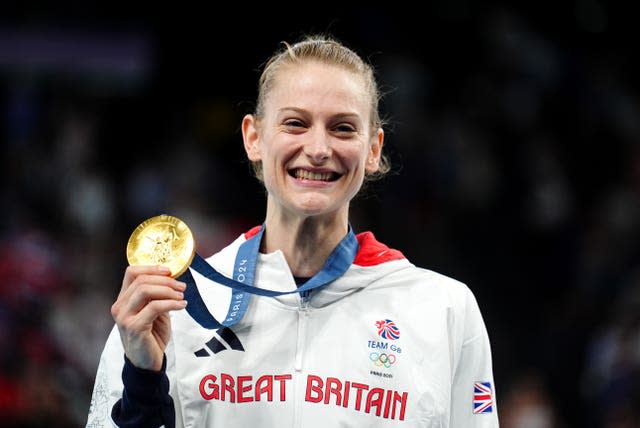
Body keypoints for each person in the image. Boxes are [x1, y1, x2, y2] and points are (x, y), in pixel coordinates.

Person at [86, 34, 499, 428]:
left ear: (373, 150)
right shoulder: (174, 308)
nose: (319, 149)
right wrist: (142, 380)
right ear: (254, 138)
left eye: (342, 128)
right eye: (296, 123)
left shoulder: (442, 310)